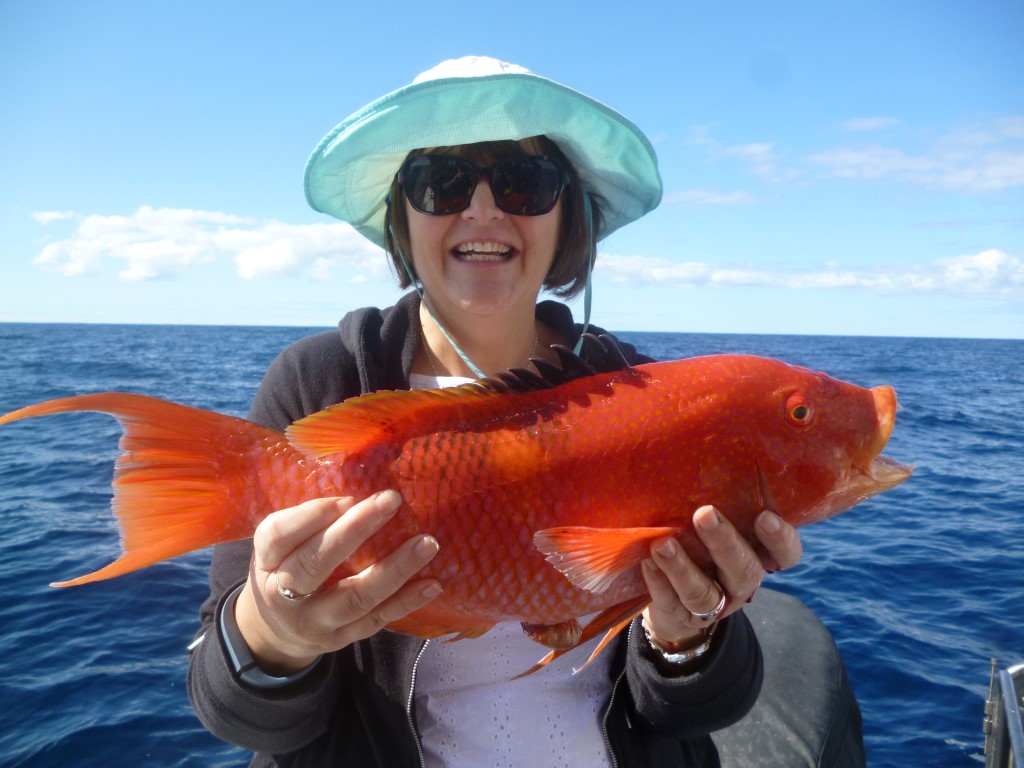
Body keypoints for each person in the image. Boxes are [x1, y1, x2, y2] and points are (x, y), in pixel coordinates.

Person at [187, 56, 861, 767]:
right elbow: (233, 710)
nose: (482, 210)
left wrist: (687, 634)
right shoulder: (319, 383)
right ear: (402, 214)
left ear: (568, 213)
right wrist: (274, 631)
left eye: (523, 182)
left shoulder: (638, 390)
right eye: (439, 183)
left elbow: (694, 712)